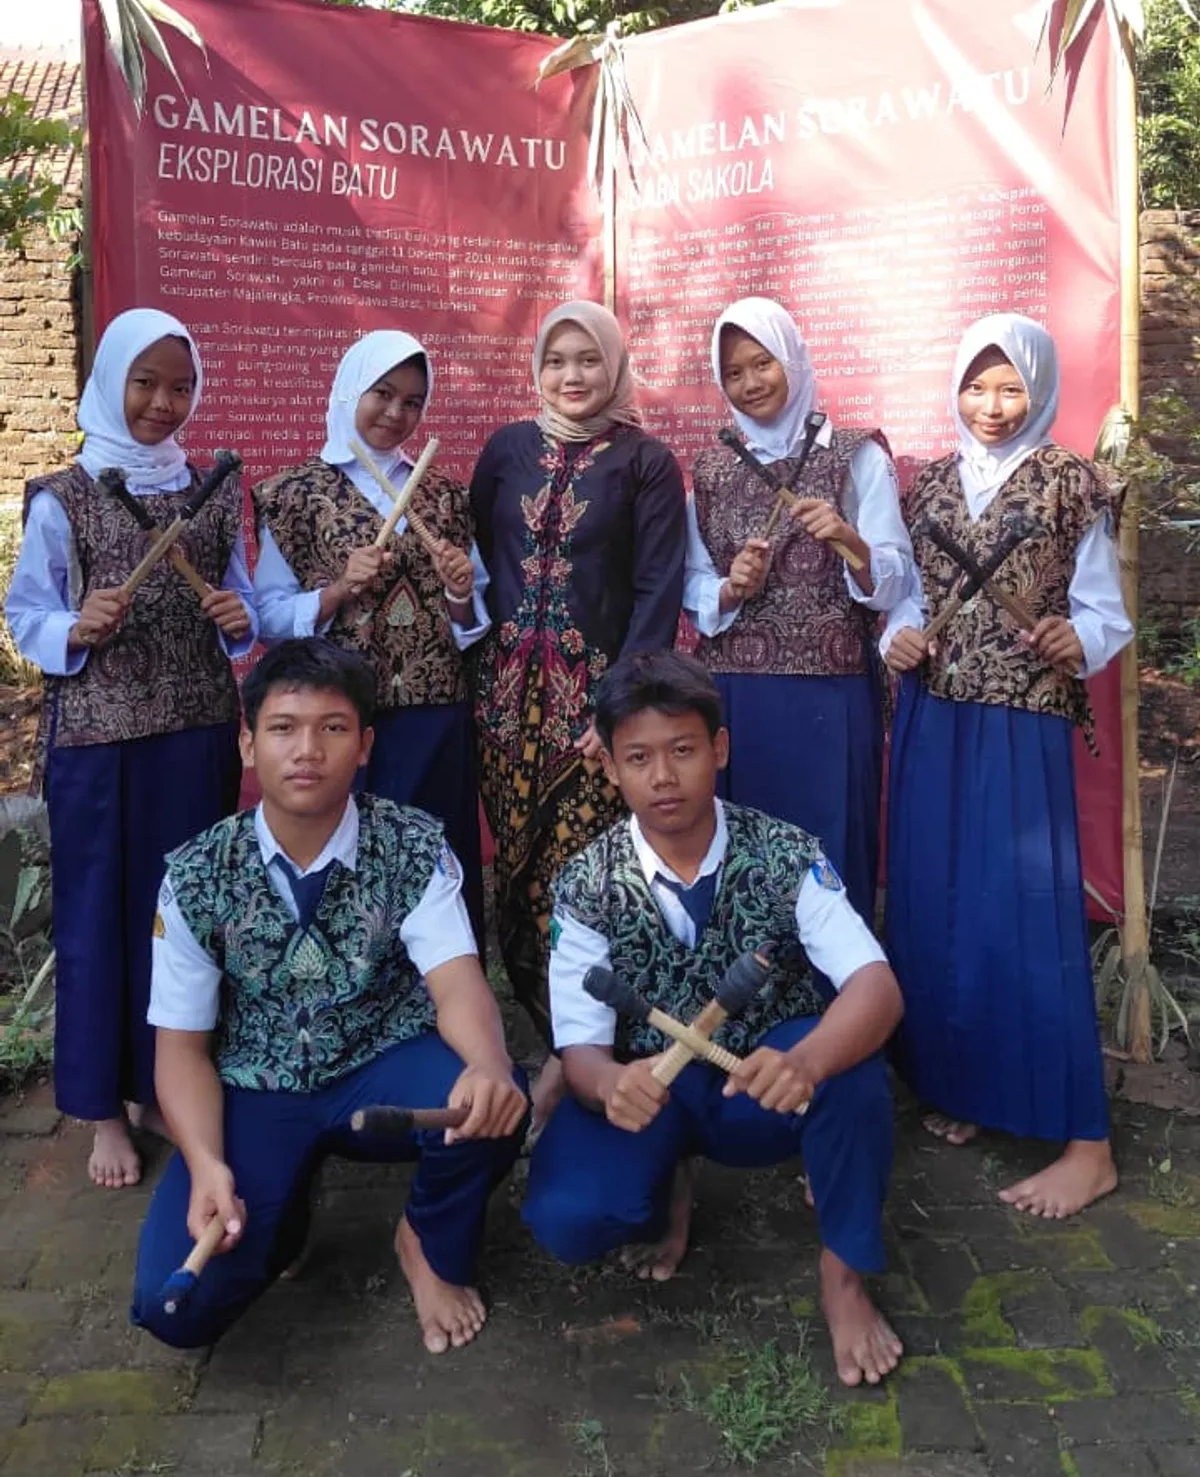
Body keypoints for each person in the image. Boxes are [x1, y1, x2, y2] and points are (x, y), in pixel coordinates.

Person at [130, 638, 528, 1355]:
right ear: (248, 744)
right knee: (173, 1310)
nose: (307, 749)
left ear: (365, 744)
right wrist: (206, 1160)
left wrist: (489, 1063)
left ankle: (426, 1240)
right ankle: (281, 1196)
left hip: (384, 1066)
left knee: (493, 1103)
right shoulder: (194, 875)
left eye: (332, 727)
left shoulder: (411, 844)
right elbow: (181, 1049)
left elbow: (458, 982)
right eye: (283, 727)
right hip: (258, 1085)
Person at [523, 650, 904, 1388]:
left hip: (761, 1083)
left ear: (719, 750)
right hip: (651, 1092)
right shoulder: (585, 882)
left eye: (684, 750)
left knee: (853, 1073)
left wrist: (810, 1060)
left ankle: (844, 1274)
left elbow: (876, 986)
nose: (663, 776)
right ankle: (668, 1185)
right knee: (568, 1217)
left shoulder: (787, 852)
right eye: (638, 756)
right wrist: (607, 1086)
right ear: (609, 766)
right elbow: (581, 1050)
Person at [883, 313, 1132, 1218]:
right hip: (932, 712)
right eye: (976, 386)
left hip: (1020, 724)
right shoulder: (931, 483)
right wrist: (897, 635)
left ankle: (1087, 1142)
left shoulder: (1070, 482)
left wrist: (1079, 635)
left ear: (1040, 388)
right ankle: (974, 1088)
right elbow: (907, 592)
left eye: (1011, 387)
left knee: (1026, 914)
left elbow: (1105, 611)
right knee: (938, 908)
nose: (992, 406)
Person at [5, 308, 255, 1191]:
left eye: (180, 385)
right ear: (111, 380)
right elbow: (25, 612)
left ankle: (163, 1086)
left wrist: (238, 621)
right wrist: (73, 624)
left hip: (195, 735)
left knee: (182, 919)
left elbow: (241, 597)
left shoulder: (214, 486)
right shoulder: (65, 494)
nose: (162, 402)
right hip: (100, 746)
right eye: (144, 383)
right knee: (98, 920)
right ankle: (101, 1106)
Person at [470, 301, 687, 1054]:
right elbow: (476, 562)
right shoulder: (505, 450)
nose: (572, 375)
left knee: (587, 882)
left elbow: (659, 589)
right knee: (517, 874)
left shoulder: (647, 462)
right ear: (537, 367)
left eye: (588, 359)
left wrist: (620, 708)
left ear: (615, 365)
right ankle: (548, 1039)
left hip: (593, 717)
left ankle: (606, 1047)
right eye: (557, 359)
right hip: (502, 712)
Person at [253, 330, 488, 941]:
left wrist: (460, 591)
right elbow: (267, 614)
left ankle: (444, 1007)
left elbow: (470, 619)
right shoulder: (293, 493)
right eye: (382, 394)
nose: (396, 414)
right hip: (337, 717)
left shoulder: (443, 493)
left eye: (413, 402)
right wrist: (336, 590)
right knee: (347, 865)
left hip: (432, 715)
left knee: (436, 861)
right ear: (351, 389)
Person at [684, 298, 914, 919]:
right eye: (733, 373)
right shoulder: (709, 467)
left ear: (791, 358)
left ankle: (847, 1009)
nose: (751, 383)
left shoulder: (857, 454)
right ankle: (748, 1011)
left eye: (763, 363)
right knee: (745, 861)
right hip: (738, 699)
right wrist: (731, 587)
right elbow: (693, 581)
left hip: (831, 697)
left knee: (829, 857)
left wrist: (850, 540)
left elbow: (895, 579)